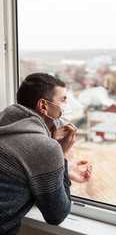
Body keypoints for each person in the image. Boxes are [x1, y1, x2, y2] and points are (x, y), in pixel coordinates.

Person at [0, 73, 92, 235]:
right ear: (43, 106)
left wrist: (60, 172)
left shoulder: (5, 123)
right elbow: (56, 215)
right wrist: (61, 154)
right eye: (63, 99)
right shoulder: (46, 149)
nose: (67, 105)